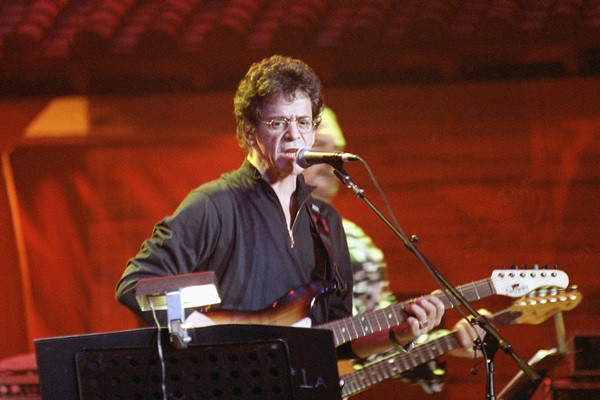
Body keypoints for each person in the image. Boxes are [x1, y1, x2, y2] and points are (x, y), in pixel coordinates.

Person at [115, 55, 445, 360]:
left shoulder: (325, 222)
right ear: (249, 131)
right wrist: (204, 331)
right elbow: (136, 284)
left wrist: (397, 336)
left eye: (303, 123)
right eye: (277, 124)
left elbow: (337, 341)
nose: (293, 136)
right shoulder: (214, 204)